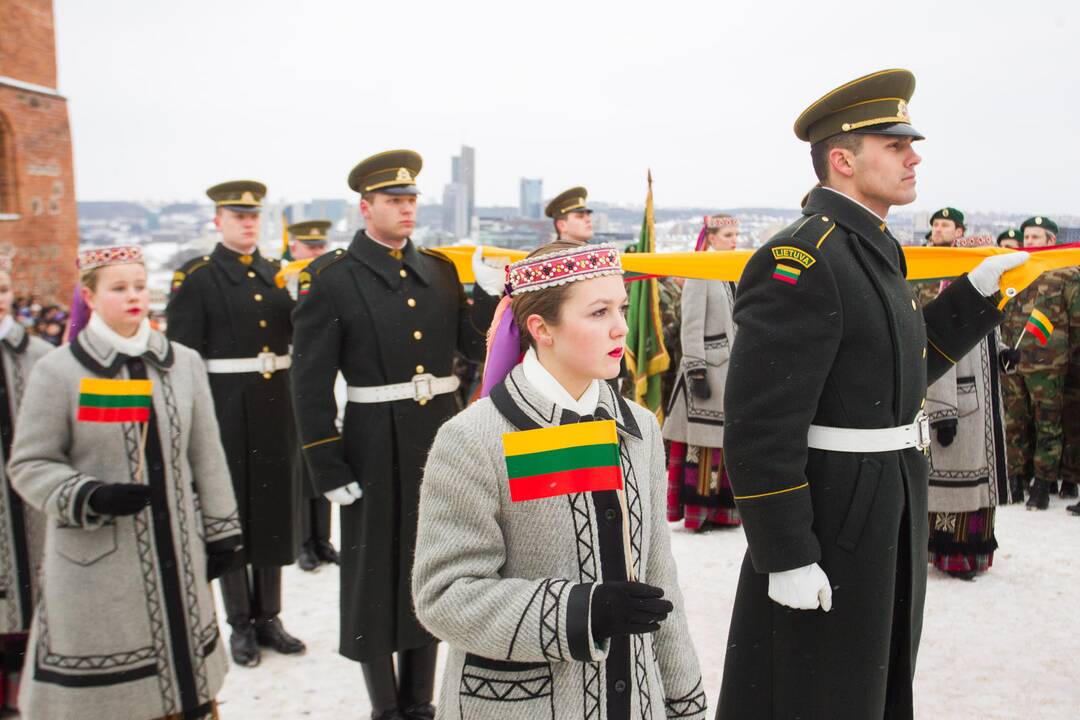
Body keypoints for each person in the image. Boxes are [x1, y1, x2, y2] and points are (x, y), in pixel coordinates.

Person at [717, 68, 1028, 719]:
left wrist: (975, 297)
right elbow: (758, 424)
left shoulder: (871, 248)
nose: (914, 156)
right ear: (843, 159)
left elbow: (897, 374)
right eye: (895, 144)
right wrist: (786, 553)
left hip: (887, 492)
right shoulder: (802, 258)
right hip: (835, 508)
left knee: (871, 680)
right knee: (819, 688)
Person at [413, 241, 707, 720]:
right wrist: (579, 612)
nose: (620, 327)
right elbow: (445, 596)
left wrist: (683, 698)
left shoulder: (638, 428)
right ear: (541, 328)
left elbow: (656, 575)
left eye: (621, 308)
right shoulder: (472, 439)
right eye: (597, 312)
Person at [290, 150, 501, 720]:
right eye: (393, 200)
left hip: (439, 437)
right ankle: (386, 707)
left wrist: (486, 296)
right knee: (372, 573)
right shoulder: (333, 279)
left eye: (411, 200)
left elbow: (474, 345)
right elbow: (308, 383)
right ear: (366, 207)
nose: (406, 209)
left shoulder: (437, 270)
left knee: (431, 563)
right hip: (372, 444)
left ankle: (420, 702)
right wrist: (325, 466)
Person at [9, 246, 242, 720]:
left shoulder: (183, 363)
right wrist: (87, 494)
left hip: (178, 553)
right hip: (97, 566)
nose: (134, 296)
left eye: (139, 285)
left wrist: (222, 530)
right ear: (89, 296)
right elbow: (29, 464)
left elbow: (207, 455)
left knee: (188, 686)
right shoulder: (59, 371)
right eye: (118, 288)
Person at [167, 180, 305, 667]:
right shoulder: (199, 277)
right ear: (218, 221)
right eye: (237, 215)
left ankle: (270, 615)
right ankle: (240, 622)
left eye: (253, 216)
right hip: (225, 407)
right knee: (233, 515)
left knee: (271, 512)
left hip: (274, 406)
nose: (248, 222)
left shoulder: (274, 273)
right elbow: (181, 358)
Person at [924, 235, 1011, 579]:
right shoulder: (950, 297)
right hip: (959, 408)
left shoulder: (987, 299)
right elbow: (937, 362)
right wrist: (942, 413)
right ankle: (952, 555)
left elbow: (992, 345)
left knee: (978, 487)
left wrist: (1006, 356)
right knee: (956, 487)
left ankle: (974, 552)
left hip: (983, 409)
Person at [663, 214, 742, 531]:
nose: (734, 240)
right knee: (703, 447)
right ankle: (700, 513)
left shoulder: (729, 272)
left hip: (728, 370)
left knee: (722, 445)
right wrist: (695, 369)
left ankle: (723, 512)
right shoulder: (700, 272)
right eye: (727, 235)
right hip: (707, 370)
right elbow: (691, 324)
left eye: (736, 234)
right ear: (710, 238)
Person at [998, 215, 1080, 510]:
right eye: (1027, 237)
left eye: (1036, 237)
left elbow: (1076, 320)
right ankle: (1016, 480)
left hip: (1049, 364)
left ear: (1051, 241)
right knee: (1015, 422)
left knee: (1048, 424)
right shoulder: (1016, 270)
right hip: (1015, 359)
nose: (1029, 241)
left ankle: (1043, 484)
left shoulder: (1066, 273)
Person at [0, 252, 51, 713]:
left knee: (31, 587)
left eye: (1, 290)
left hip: (31, 497)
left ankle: (26, 684)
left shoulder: (39, 355)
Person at [278, 220, 340, 573]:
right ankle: (304, 540)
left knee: (322, 456)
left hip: (317, 378)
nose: (315, 252)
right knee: (303, 466)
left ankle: (322, 538)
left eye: (320, 246)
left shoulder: (320, 281)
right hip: (286, 380)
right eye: (309, 247)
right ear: (294, 248)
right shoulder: (282, 282)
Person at [912, 206, 965, 306]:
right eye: (935, 225)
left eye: (945, 225)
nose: (938, 229)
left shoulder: (967, 262)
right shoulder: (921, 259)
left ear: (958, 232)